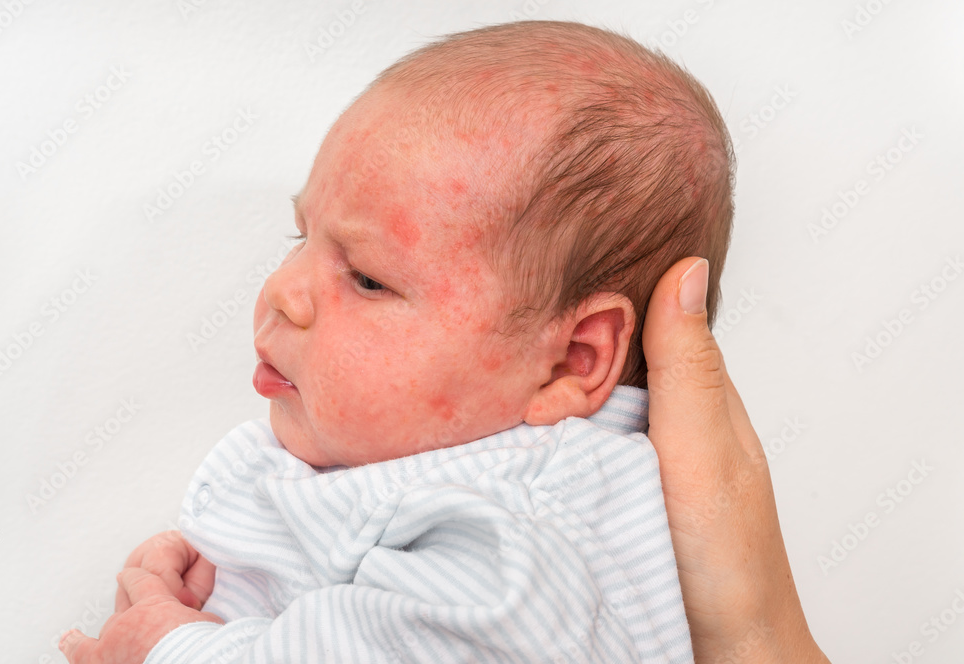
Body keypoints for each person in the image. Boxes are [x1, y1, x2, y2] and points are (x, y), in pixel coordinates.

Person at [60, 20, 829, 663]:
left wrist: (169, 645)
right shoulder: (449, 463)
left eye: (368, 279)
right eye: (300, 237)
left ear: (571, 360)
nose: (283, 293)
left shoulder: (518, 540)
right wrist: (229, 580)